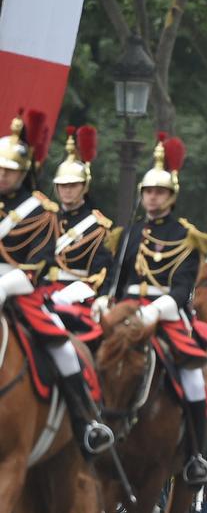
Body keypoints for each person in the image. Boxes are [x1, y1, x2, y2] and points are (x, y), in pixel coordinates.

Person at [97, 133, 207, 485]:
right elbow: (116, 277)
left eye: (159, 192)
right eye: (148, 192)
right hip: (126, 310)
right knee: (94, 354)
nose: (152, 198)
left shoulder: (187, 236)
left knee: (192, 378)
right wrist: (104, 297)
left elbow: (181, 289)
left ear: (171, 196)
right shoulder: (128, 233)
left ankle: (195, 454)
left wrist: (155, 310)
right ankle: (92, 428)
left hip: (165, 313)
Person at [0, 112, 114, 459]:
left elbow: (37, 266)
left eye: (9, 170)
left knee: (62, 346)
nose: (2, 175)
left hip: (20, 290)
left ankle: (84, 421)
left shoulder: (40, 213)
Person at [50, 125, 116, 295]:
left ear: (84, 187)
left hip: (75, 294)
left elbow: (100, 272)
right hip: (40, 289)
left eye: (73, 185)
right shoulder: (46, 219)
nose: (67, 190)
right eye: (63, 185)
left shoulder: (97, 227)